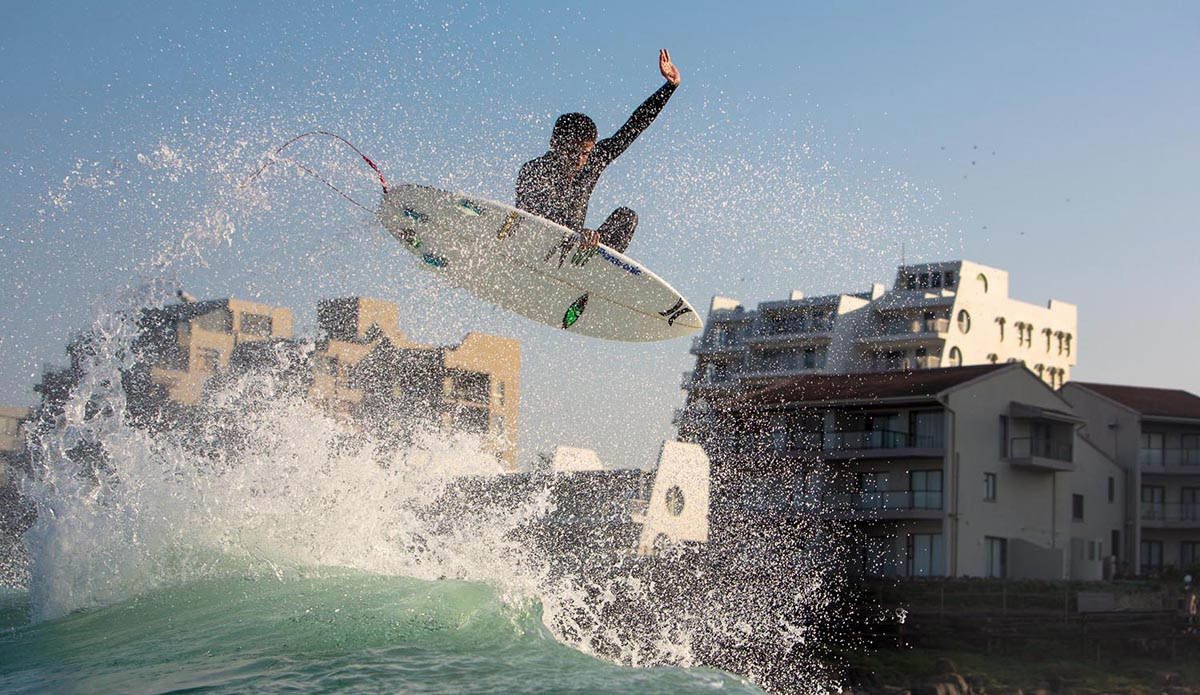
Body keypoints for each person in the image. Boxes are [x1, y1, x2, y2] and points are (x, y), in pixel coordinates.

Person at [516, 49, 681, 254]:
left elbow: (633, 127)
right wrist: (578, 234)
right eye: (571, 151)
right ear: (555, 144)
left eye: (585, 153)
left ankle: (593, 269)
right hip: (536, 247)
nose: (579, 160)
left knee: (627, 217)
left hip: (577, 250)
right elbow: (534, 215)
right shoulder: (534, 170)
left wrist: (669, 88)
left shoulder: (592, 162)